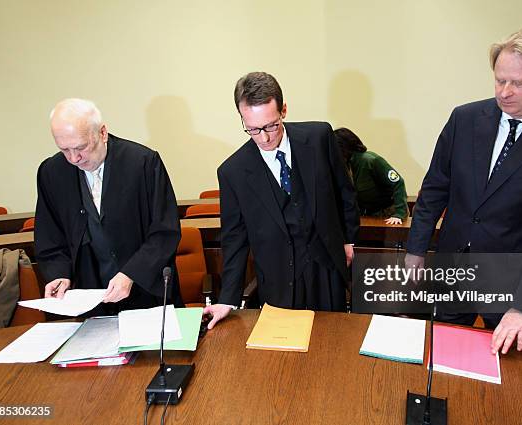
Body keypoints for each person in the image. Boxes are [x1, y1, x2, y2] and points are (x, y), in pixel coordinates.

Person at [405, 30, 522, 354]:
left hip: (513, 280)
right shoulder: (464, 119)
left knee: (508, 372)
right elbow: (436, 186)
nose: (505, 92)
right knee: (445, 354)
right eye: (499, 80)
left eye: (519, 83)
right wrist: (416, 249)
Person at [203, 72, 359, 328]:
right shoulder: (232, 172)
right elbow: (234, 238)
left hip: (326, 268)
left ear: (283, 110)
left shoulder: (319, 137)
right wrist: (227, 299)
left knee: (332, 344)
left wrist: (348, 239)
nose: (264, 138)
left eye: (271, 126)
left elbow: (344, 190)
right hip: (279, 280)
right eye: (252, 129)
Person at [35, 98, 182, 315]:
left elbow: (164, 232)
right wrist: (60, 274)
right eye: (64, 149)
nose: (74, 158)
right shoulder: (51, 172)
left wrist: (130, 274)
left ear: (102, 132)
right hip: (90, 301)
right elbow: (50, 238)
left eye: (81, 147)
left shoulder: (142, 163)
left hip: (145, 295)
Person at [334, 127, 408, 224]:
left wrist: (399, 214)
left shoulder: (369, 160)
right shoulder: (345, 165)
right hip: (367, 215)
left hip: (387, 214)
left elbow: (398, 182)